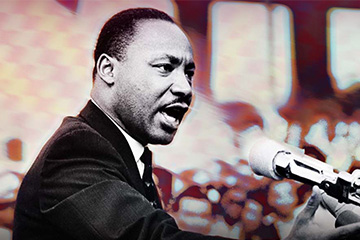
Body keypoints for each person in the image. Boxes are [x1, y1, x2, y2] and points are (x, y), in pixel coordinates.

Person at [13, 7, 360, 240]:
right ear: (108, 70)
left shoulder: (122, 153)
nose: (184, 87)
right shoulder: (76, 151)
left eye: (189, 73)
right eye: (165, 67)